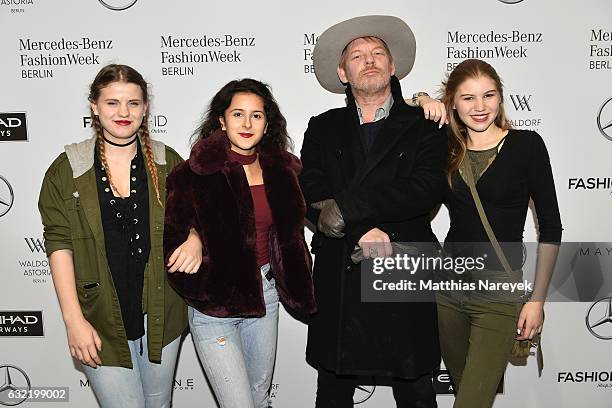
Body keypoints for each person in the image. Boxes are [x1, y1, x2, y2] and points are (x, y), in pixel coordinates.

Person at [300, 15, 448, 408]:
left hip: (404, 264)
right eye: (357, 55)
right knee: (333, 388)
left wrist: (348, 208)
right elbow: (311, 192)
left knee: (415, 386)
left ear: (393, 66)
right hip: (341, 269)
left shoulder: (425, 123)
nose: (369, 60)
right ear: (342, 72)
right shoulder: (321, 126)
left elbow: (424, 189)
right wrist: (359, 232)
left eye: (378, 53)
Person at [38, 64, 202, 408]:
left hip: (162, 315)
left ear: (145, 108)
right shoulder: (67, 169)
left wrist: (195, 239)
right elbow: (59, 245)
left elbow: (199, 215)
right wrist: (73, 321)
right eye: (112, 103)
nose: (123, 113)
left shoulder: (167, 162)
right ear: (95, 107)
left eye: (133, 103)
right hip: (98, 320)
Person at [163, 78, 317, 408]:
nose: (247, 124)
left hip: (267, 296)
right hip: (215, 307)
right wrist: (192, 237)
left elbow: (295, 232)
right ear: (222, 119)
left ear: (267, 122)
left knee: (259, 400)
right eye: (238, 114)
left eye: (257, 115)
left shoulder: (284, 170)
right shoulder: (192, 173)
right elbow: (173, 237)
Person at [438, 58, 562, 408]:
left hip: (498, 289)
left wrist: (537, 300)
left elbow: (550, 226)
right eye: (468, 98)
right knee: (467, 393)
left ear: (500, 97)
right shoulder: (445, 148)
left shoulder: (527, 146)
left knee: (471, 402)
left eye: (488, 95)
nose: (480, 107)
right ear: (453, 104)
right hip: (447, 289)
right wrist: (420, 99)